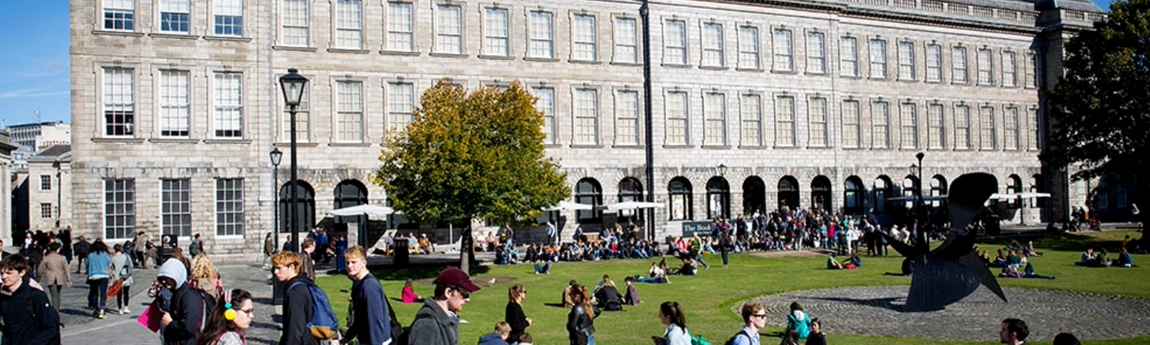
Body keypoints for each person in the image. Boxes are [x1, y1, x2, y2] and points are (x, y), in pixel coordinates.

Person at [407, 267, 482, 345]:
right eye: (465, 294)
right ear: (448, 292)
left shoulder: (444, 318)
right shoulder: (427, 326)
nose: (467, 300)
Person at [0, 254, 61, 345]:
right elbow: (7, 330)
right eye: (2, 273)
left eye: (9, 273)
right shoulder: (4, 298)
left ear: (22, 272)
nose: (4, 277)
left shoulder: (35, 296)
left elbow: (50, 328)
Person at [342, 246, 392, 345]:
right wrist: (347, 338)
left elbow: (375, 320)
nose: (349, 266)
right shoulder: (358, 283)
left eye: (354, 262)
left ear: (363, 263)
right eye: (347, 262)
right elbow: (359, 319)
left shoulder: (369, 286)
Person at [158, 258, 211, 345]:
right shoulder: (177, 293)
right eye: (161, 279)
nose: (164, 281)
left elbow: (189, 327)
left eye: (167, 278)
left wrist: (170, 323)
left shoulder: (189, 296)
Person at [273, 251, 319, 345]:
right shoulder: (301, 285)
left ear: (292, 267)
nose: (275, 272)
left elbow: (295, 328)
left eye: (279, 268)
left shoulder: (295, 292)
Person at [37, 242, 70, 312]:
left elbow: (40, 270)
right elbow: (66, 269)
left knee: (54, 295)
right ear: (58, 249)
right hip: (59, 277)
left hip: (50, 278)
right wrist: (68, 279)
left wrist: (38, 279)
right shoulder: (62, 258)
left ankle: (55, 310)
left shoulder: (46, 258)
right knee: (57, 295)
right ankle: (56, 309)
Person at [86, 239, 112, 319]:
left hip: (93, 275)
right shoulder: (105, 254)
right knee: (103, 293)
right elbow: (109, 264)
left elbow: (87, 265)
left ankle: (95, 308)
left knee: (94, 293)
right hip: (103, 275)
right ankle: (102, 309)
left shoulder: (90, 255)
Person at [111, 243, 135, 315]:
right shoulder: (126, 256)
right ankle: (126, 307)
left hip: (117, 278)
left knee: (119, 294)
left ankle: (119, 309)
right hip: (126, 277)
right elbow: (131, 266)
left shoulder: (113, 258)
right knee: (126, 293)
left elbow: (112, 268)